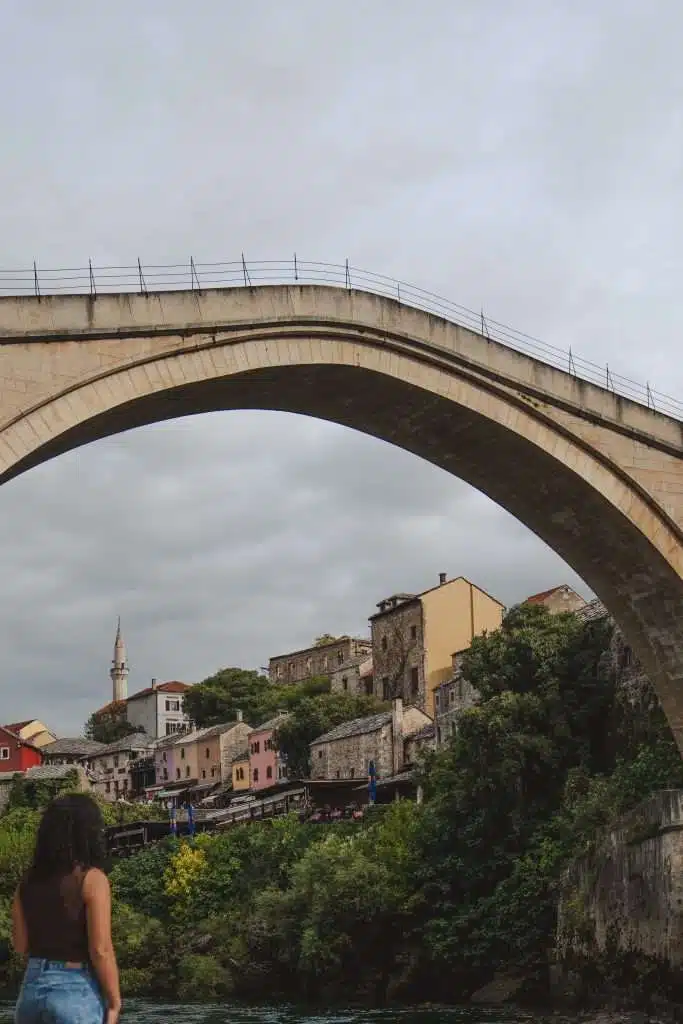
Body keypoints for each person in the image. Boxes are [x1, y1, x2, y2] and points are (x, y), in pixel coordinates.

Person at [11, 792, 122, 1024]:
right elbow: (100, 949)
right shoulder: (92, 879)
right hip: (75, 987)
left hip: (31, 990)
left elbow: (20, 946)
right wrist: (114, 1002)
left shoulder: (26, 883)